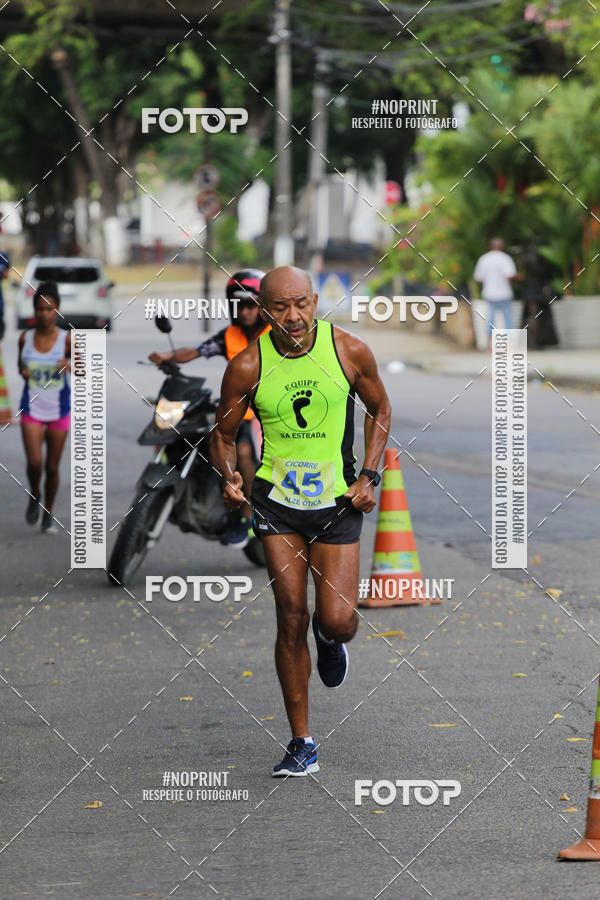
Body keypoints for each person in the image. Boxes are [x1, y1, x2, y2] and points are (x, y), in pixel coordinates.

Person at [210, 266, 391, 776]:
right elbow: (222, 434)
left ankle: (329, 639)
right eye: (280, 306)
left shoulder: (348, 350)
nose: (293, 316)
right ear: (263, 310)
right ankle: (301, 741)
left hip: (336, 503)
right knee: (290, 615)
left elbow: (380, 409)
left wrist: (369, 476)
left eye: (301, 304)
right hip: (277, 504)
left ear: (315, 301)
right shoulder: (248, 365)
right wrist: (229, 476)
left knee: (337, 620)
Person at [149, 269, 269, 548]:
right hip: (240, 408)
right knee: (209, 437)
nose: (245, 311)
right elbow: (196, 351)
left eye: (251, 305)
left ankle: (247, 516)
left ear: (262, 306)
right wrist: (167, 356)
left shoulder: (276, 334)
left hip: (269, 411)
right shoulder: (229, 335)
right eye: (239, 305)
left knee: (244, 452)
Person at [18, 281, 71, 534]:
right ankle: (35, 494)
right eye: (40, 309)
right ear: (34, 311)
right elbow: (21, 366)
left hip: (59, 410)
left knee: (51, 466)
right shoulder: (25, 338)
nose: (44, 314)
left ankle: (48, 513)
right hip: (32, 409)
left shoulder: (67, 340)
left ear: (57, 310)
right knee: (35, 463)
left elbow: (84, 370)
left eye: (49, 309)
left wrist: (70, 366)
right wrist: (24, 371)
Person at [473, 237, 518, 348]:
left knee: (490, 319)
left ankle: (490, 345)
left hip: (489, 293)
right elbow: (510, 275)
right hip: (504, 293)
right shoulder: (505, 258)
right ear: (502, 247)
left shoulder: (484, 259)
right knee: (507, 320)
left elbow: (478, 277)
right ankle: (509, 345)